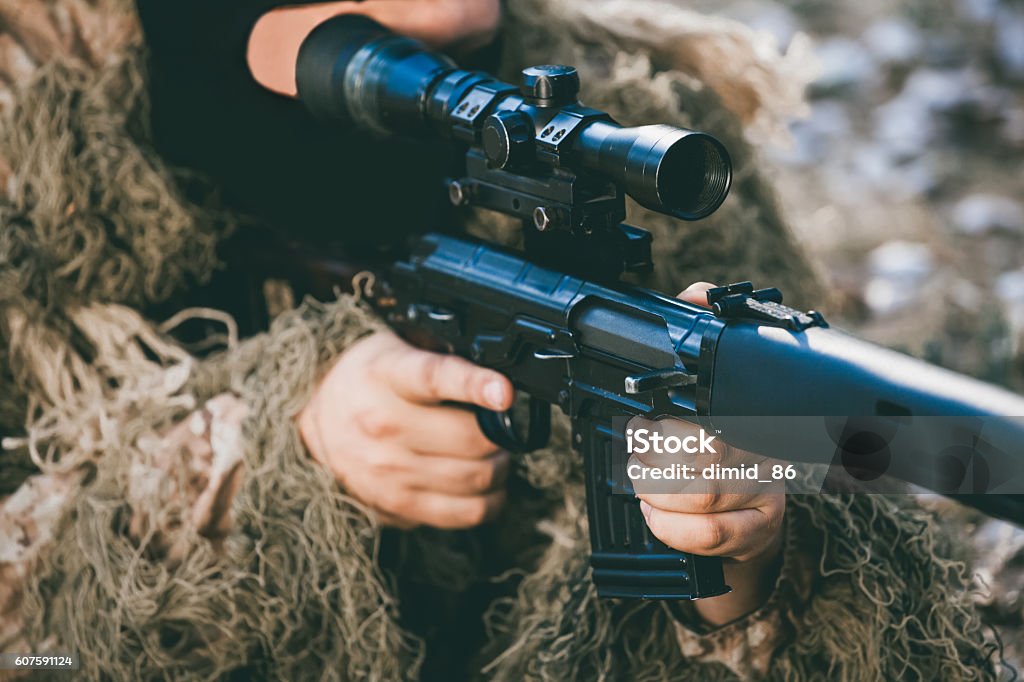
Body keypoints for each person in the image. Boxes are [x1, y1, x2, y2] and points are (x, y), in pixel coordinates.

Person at [0, 1, 1001, 679]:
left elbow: (836, 581)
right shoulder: (38, 124)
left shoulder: (640, 98)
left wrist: (737, 551)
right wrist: (272, 451)